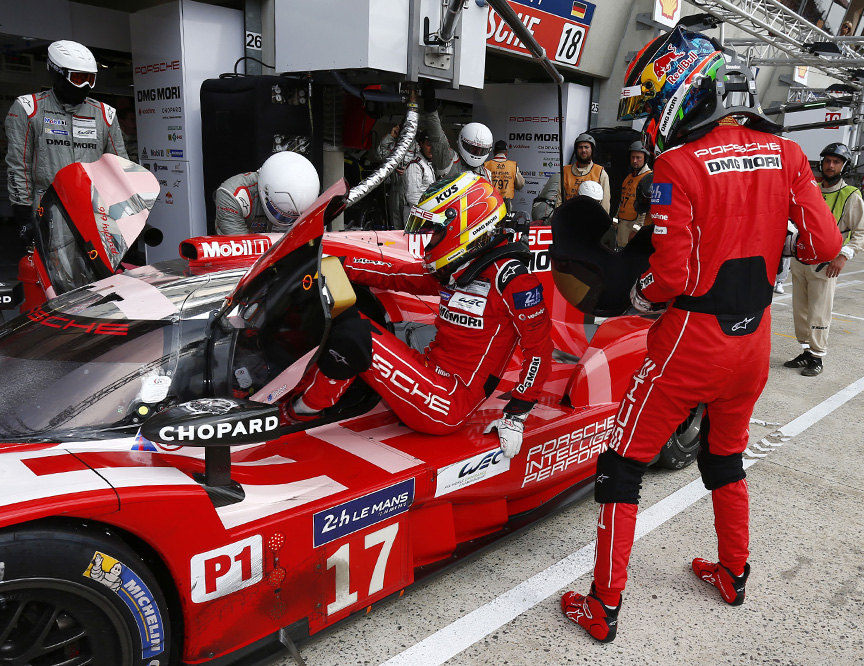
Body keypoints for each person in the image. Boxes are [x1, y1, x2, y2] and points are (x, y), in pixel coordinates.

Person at [559, 26, 842, 643]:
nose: (648, 115)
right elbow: (825, 245)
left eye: (651, 98)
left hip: (691, 340)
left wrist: (635, 296)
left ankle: (603, 607)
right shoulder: (788, 153)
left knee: (619, 467)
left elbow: (670, 276)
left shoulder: (677, 164)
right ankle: (735, 573)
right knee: (724, 458)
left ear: (681, 88)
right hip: (754, 340)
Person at [287, 172, 552, 458]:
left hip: (449, 403)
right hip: (428, 370)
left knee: (354, 336)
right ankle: (293, 394)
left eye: (437, 230)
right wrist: (333, 264)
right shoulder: (459, 266)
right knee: (342, 312)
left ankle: (295, 416)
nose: (430, 238)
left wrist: (516, 414)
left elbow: (539, 348)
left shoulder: (513, 279)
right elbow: (395, 274)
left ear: (466, 224)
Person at [5, 40, 127, 246]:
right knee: (54, 273)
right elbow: (19, 165)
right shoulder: (29, 108)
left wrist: (124, 209)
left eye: (90, 79)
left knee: (95, 273)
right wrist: (23, 215)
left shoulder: (105, 114)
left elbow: (119, 165)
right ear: (58, 74)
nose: (85, 86)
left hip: (94, 209)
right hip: (48, 207)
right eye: (79, 78)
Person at [785, 143, 864, 376]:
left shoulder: (851, 195)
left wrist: (843, 256)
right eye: (828, 160)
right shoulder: (812, 190)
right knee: (800, 310)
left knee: (819, 311)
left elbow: (860, 232)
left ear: (844, 166)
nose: (831, 165)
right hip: (801, 260)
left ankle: (817, 357)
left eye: (836, 162)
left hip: (827, 264)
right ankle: (806, 351)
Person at [213, 151, 320, 235]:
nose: (285, 222)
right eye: (280, 215)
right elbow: (238, 248)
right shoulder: (234, 196)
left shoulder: (313, 198)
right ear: (265, 193)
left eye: (292, 218)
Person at [421, 84, 492, 180]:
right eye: (472, 148)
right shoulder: (449, 160)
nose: (476, 153)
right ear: (461, 142)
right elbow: (437, 138)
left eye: (480, 150)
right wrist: (430, 105)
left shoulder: (487, 174)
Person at [536, 134, 611, 215]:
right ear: (576, 150)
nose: (583, 150)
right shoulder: (566, 171)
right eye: (580, 147)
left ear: (592, 149)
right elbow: (559, 199)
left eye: (586, 147)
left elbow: (605, 203)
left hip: (590, 218)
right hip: (568, 217)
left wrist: (602, 221)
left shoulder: (600, 173)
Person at [376, 123, 421, 229]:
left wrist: (408, 171)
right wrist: (390, 136)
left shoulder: (418, 147)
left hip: (412, 192)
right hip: (395, 191)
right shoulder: (393, 145)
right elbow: (379, 154)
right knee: (396, 227)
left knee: (411, 227)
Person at [614, 141, 652, 247]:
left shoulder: (648, 177)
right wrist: (616, 219)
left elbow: (644, 207)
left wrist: (637, 228)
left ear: (645, 158)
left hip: (635, 228)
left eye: (638, 157)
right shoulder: (628, 178)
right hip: (623, 226)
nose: (635, 161)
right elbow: (622, 201)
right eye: (632, 157)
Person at [402, 130, 436, 221]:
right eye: (429, 145)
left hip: (425, 214)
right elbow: (413, 198)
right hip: (415, 216)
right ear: (421, 144)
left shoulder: (427, 164)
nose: (432, 148)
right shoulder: (415, 165)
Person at [485, 140, 525, 208]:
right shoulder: (512, 166)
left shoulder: (486, 165)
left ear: (494, 152)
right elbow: (520, 185)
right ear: (506, 153)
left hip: (489, 203)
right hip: (506, 204)